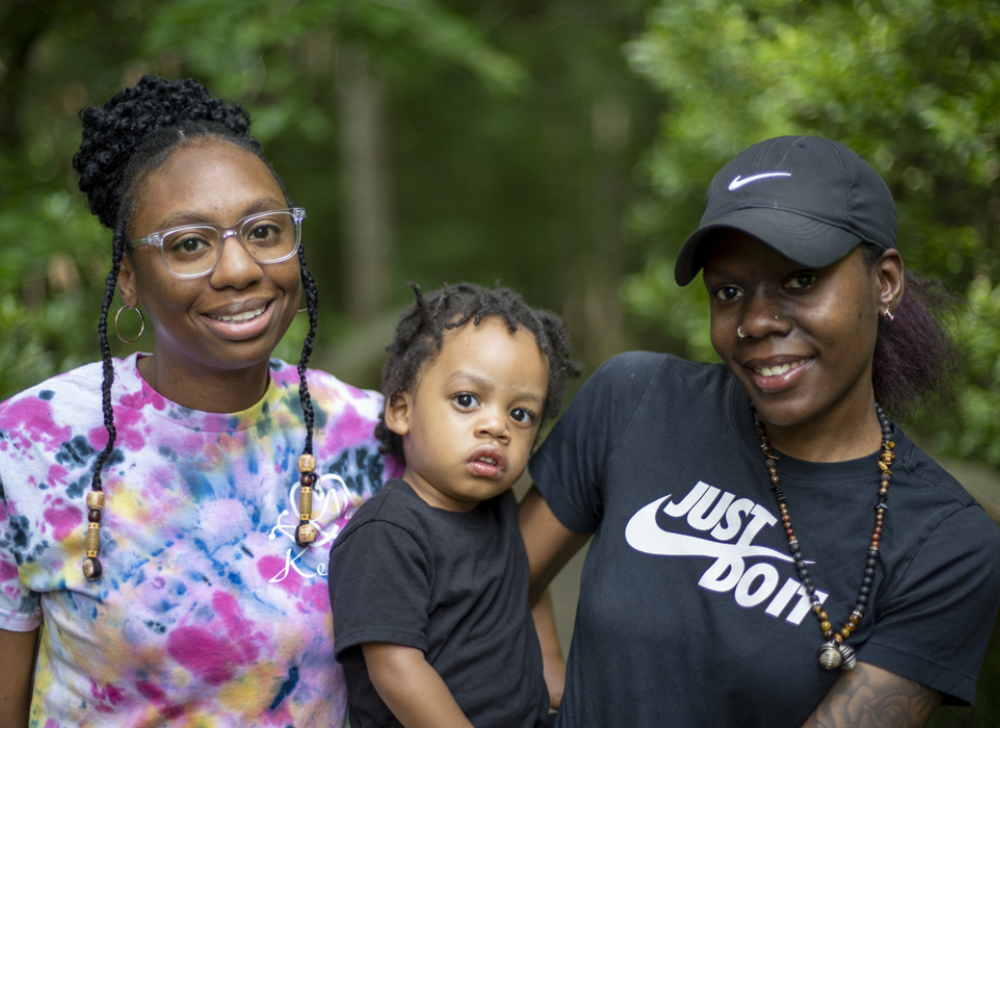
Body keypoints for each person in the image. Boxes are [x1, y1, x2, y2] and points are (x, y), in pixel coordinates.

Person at [520, 134, 1000, 727]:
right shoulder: (636, 399)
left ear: (885, 283)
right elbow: (491, 582)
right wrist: (546, 673)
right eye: (729, 291)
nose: (755, 321)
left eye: (800, 280)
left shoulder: (945, 543)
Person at [0, 76, 399, 727]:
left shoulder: (373, 439)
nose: (240, 269)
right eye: (189, 244)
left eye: (264, 231)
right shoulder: (28, 444)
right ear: (128, 279)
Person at [328, 283, 579, 727]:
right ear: (402, 411)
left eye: (521, 414)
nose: (496, 426)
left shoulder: (499, 505)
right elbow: (396, 668)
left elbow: (520, 583)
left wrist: (551, 666)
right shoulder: (387, 532)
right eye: (467, 400)